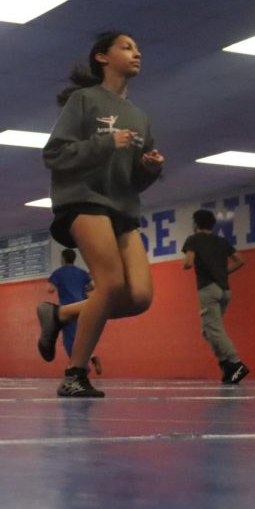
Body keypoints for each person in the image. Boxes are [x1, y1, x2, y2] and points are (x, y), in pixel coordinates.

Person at [36, 32, 165, 398]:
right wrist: (106, 142)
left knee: (138, 297)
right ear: (102, 57)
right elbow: (55, 155)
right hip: (82, 200)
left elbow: (131, 182)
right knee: (109, 284)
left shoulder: (140, 117)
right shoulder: (84, 100)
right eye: (126, 47)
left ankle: (59, 315)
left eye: (138, 48)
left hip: (121, 209)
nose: (137, 52)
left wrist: (149, 170)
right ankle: (74, 373)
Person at [182, 209, 249, 384]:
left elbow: (188, 263)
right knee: (208, 330)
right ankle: (226, 364)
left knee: (215, 330)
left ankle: (236, 363)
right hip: (225, 290)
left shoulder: (193, 240)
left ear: (195, 223)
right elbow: (240, 261)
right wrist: (222, 273)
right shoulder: (221, 241)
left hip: (208, 290)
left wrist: (186, 264)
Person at [46, 249, 101, 374]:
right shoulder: (81, 273)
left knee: (69, 342)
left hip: (68, 311)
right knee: (81, 338)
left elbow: (50, 289)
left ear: (63, 259)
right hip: (82, 308)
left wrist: (56, 285)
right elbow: (92, 286)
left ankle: (79, 368)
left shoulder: (59, 273)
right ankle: (92, 356)